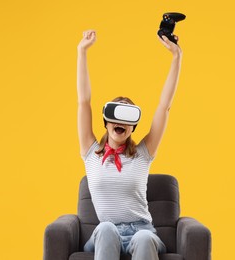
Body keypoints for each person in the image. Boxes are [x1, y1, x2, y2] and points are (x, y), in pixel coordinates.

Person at [77, 29, 182, 260]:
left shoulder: (143, 153)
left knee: (144, 238)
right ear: (106, 122)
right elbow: (84, 102)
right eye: (116, 114)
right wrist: (82, 51)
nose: (120, 122)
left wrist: (177, 57)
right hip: (106, 232)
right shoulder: (91, 152)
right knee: (106, 228)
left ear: (133, 127)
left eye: (127, 118)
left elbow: (164, 107)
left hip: (142, 230)